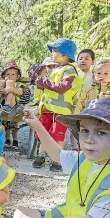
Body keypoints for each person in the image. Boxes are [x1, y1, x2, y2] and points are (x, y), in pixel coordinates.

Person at [33, 38, 83, 172]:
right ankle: (41, 155)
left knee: (57, 135)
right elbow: (48, 87)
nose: (52, 54)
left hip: (60, 111)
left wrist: (45, 83)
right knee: (43, 133)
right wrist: (40, 83)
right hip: (47, 109)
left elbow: (63, 87)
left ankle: (57, 159)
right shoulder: (54, 69)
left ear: (64, 55)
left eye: (55, 51)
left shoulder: (69, 70)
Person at [0, 62, 25, 149]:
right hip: (3, 107)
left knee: (14, 124)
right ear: (4, 75)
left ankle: (15, 140)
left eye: (13, 74)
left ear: (17, 76)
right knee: (5, 124)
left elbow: (20, 92)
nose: (10, 76)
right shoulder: (3, 82)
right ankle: (7, 139)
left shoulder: (18, 84)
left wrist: (11, 89)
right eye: (7, 74)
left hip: (14, 106)